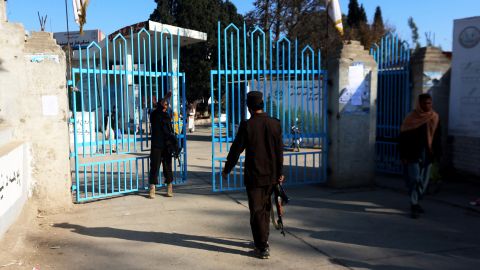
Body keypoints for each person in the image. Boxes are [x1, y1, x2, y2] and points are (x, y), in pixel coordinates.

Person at [222, 91, 285, 259]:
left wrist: (227, 169)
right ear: (262, 104)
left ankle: (262, 247)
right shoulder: (275, 124)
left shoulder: (247, 126)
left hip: (255, 176)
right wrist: (280, 173)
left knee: (257, 211)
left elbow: (236, 150)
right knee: (264, 209)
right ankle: (263, 240)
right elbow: (280, 151)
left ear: (249, 107)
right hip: (272, 176)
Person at [399, 93, 441, 219]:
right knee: (415, 179)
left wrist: (438, 153)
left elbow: (438, 137)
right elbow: (403, 138)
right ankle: (414, 204)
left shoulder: (434, 117)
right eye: (425, 103)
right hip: (412, 154)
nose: (428, 105)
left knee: (423, 181)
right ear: (419, 104)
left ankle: (416, 200)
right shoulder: (411, 118)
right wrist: (403, 155)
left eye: (429, 103)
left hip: (428, 154)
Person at [149, 92, 175, 199]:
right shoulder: (154, 114)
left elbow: (170, 130)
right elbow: (159, 109)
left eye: (167, 103)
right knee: (155, 166)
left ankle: (169, 186)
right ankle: (152, 188)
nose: (166, 104)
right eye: (164, 103)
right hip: (156, 145)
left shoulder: (167, 115)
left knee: (167, 166)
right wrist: (165, 97)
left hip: (166, 145)